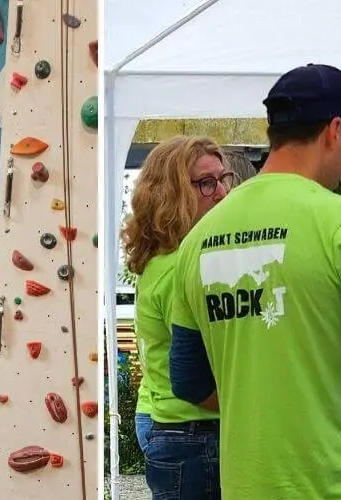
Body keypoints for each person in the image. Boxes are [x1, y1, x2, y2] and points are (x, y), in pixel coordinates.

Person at [169, 64, 341, 500]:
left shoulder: (198, 240)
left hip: (251, 487)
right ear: (334, 130)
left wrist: (263, 401)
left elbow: (188, 382)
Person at [121, 136, 236, 499]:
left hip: (172, 421)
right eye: (206, 183)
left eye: (223, 178)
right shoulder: (181, 266)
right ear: (171, 195)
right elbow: (196, 376)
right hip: (193, 430)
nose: (221, 192)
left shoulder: (170, 256)